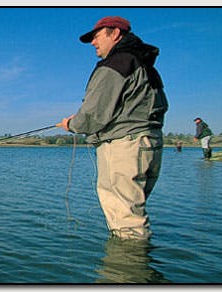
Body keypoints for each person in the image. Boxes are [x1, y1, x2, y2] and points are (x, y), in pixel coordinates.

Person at [57, 16, 168, 240]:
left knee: (126, 223)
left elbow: (92, 115)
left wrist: (71, 124)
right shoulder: (144, 64)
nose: (93, 43)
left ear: (115, 33)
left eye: (96, 36)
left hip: (125, 148)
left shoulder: (116, 63)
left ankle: (127, 272)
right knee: (132, 214)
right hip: (149, 145)